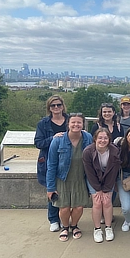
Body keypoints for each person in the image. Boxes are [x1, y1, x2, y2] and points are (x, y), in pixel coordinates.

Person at [46, 113, 93, 242]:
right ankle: (65, 227)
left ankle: (74, 226)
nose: (76, 125)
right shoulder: (58, 140)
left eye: (79, 122)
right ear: (68, 124)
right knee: (64, 207)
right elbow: (51, 165)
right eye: (73, 122)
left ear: (83, 124)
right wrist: (50, 187)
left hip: (80, 178)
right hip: (62, 179)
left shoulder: (88, 138)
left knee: (79, 207)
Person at [34, 95, 68, 232]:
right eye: (53, 106)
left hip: (67, 160)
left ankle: (65, 218)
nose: (56, 108)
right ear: (49, 108)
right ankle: (53, 219)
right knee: (52, 190)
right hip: (49, 160)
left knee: (66, 191)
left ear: (62, 106)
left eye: (58, 105)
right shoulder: (43, 124)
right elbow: (38, 143)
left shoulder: (70, 120)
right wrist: (52, 138)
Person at [83, 128, 121, 243]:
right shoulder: (88, 152)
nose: (102, 140)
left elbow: (114, 172)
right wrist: (98, 190)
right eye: (100, 138)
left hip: (109, 179)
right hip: (93, 179)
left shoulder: (114, 151)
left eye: (105, 138)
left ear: (109, 140)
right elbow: (89, 173)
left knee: (107, 201)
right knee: (97, 202)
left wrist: (106, 190)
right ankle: (97, 228)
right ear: (95, 139)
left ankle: (108, 228)